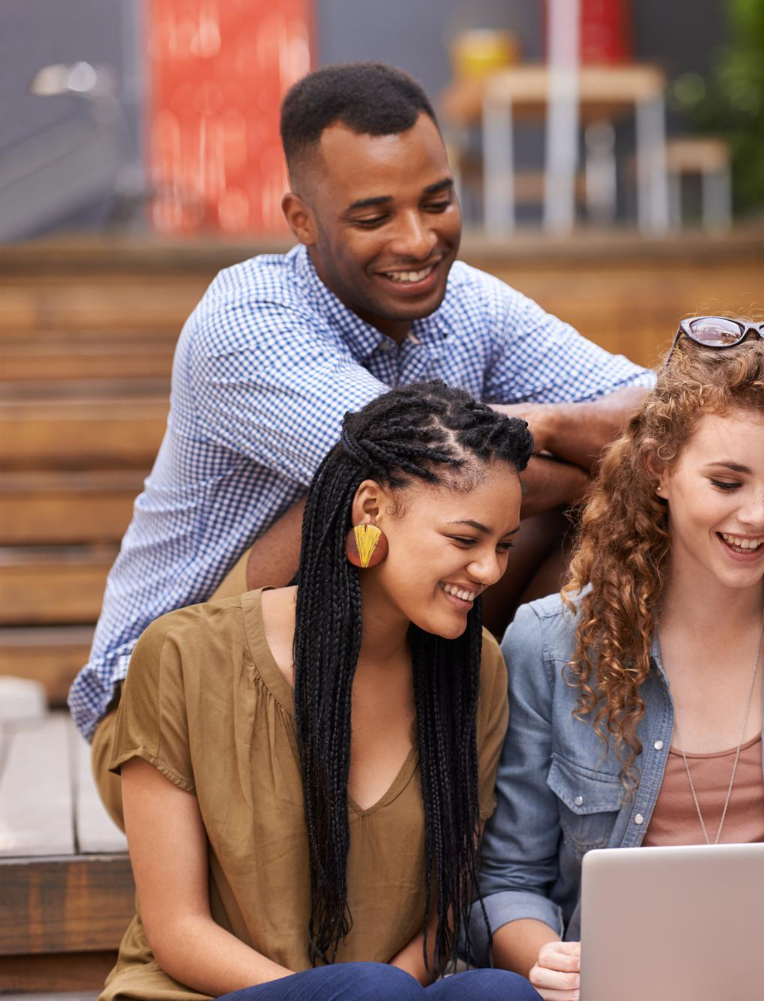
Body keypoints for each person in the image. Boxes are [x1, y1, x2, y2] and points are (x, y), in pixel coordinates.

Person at [70, 62, 652, 818]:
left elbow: (667, 404)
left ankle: (528, 789)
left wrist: (543, 428)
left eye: (437, 202)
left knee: (614, 505)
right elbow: (424, 475)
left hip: (373, 686)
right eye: (374, 217)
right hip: (166, 721)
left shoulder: (465, 301)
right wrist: (584, 467)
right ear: (302, 218)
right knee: (357, 494)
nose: (418, 239)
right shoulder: (247, 321)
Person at [467, 323, 764, 999]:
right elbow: (509, 880)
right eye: (727, 480)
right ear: (660, 469)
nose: (758, 514)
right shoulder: (548, 641)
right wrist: (552, 960)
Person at [102, 383, 542, 1000]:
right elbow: (176, 930)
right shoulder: (184, 654)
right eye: (465, 541)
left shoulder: (477, 668)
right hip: (213, 993)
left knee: (498, 994)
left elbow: (446, 907)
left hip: (384, 995)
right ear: (369, 510)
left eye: (503, 548)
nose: (491, 571)